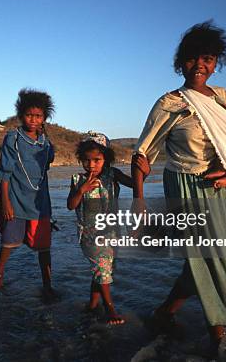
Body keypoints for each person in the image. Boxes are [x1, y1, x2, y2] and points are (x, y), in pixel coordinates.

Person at [131, 21, 226, 353]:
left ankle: (164, 313)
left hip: (223, 187)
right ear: (180, 62)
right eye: (193, 58)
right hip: (184, 185)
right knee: (210, 256)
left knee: (203, 258)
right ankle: (218, 333)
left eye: (209, 58)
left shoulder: (223, 96)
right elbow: (142, 154)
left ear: (216, 63)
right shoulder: (168, 103)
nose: (201, 65)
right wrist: (139, 201)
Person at [67, 132, 150, 325]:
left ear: (106, 159)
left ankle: (92, 304)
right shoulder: (78, 179)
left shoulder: (113, 175)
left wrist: (145, 172)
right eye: (87, 160)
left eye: (97, 160)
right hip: (91, 236)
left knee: (102, 269)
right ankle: (110, 309)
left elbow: (134, 183)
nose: (91, 165)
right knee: (103, 269)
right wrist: (81, 191)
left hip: (112, 233)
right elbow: (71, 205)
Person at [0, 89, 56, 300]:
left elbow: (44, 170)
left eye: (38, 116)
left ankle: (47, 285)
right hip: (16, 201)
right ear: (21, 115)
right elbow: (5, 174)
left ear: (44, 118)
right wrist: (6, 204)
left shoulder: (47, 144)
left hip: (40, 203)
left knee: (44, 247)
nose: (33, 120)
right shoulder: (13, 139)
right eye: (29, 115)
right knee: (9, 242)